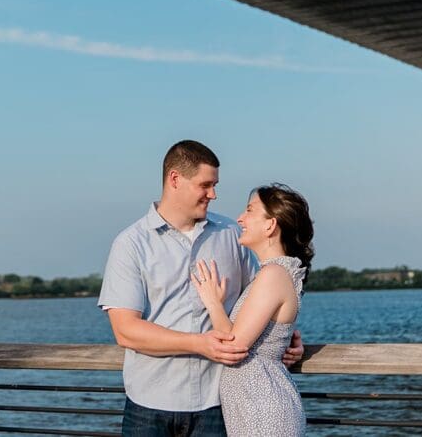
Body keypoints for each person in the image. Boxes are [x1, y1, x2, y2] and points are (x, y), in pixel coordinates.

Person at [98, 140, 304, 436]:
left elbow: (264, 299)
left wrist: (284, 338)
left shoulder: (233, 236)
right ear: (175, 180)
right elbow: (125, 330)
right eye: (205, 185)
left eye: (215, 185)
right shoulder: (130, 244)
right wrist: (199, 343)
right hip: (149, 407)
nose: (214, 194)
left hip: (216, 407)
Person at [190, 184, 313, 437]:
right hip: (254, 405)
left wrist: (213, 302)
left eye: (249, 210)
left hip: (264, 408)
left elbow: (233, 347)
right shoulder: (273, 273)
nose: (240, 219)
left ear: (270, 225)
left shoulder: (274, 274)